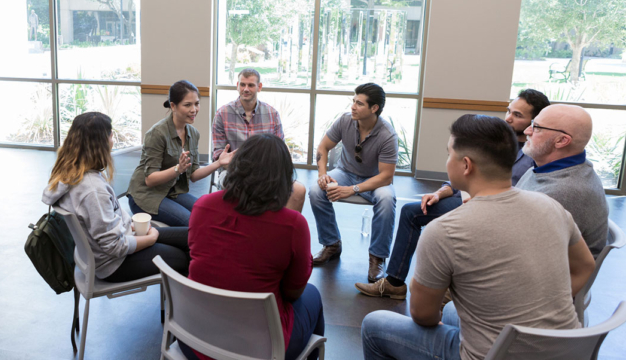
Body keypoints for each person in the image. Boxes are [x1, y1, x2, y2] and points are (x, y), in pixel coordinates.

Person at [361, 114, 595, 360]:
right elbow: (585, 267)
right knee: (452, 310)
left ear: (466, 165)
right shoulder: (552, 206)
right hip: (568, 351)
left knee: (374, 324)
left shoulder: (443, 231)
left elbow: (422, 315)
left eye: (449, 153)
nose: (447, 160)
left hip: (492, 355)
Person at [355, 89, 550, 298]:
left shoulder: (535, 155)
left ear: (534, 122)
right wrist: (440, 192)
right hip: (466, 197)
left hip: (492, 208)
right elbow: (465, 168)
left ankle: (446, 292)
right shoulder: (496, 138)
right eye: (509, 111)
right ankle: (395, 283)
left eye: (518, 115)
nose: (508, 118)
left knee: (426, 223)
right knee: (412, 211)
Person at [182, 134, 324, 360]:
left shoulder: (202, 206)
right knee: (313, 295)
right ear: (283, 178)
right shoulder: (293, 224)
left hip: (195, 340)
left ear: (237, 166)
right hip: (261, 350)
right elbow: (293, 291)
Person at [42, 112, 190, 282]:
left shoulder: (70, 175)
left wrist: (133, 227)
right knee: (183, 256)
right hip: (114, 264)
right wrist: (150, 239)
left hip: (114, 246)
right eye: (111, 134)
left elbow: (103, 226)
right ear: (101, 143)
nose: (113, 140)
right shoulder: (92, 190)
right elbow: (114, 247)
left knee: (191, 236)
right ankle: (186, 304)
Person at [310, 82, 398, 283]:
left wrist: (352, 190)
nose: (353, 107)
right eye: (353, 101)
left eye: (359, 103)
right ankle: (331, 244)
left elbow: (386, 176)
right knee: (316, 191)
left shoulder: (387, 135)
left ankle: (377, 256)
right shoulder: (344, 121)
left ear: (374, 108)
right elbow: (323, 147)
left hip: (375, 180)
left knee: (387, 199)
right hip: (345, 172)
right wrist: (323, 174)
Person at [127, 80, 235, 226]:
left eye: (197, 104)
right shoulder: (157, 133)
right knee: (193, 223)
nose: (194, 109)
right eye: (187, 105)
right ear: (173, 106)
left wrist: (218, 163)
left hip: (171, 191)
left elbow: (194, 175)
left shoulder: (193, 133)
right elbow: (150, 180)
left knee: (209, 213)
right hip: (146, 196)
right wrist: (178, 169)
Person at [517, 104, 609, 257]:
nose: (527, 131)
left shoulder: (564, 191)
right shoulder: (550, 168)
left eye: (537, 127)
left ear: (561, 141)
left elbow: (522, 248)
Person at [212, 68, 306, 212]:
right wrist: (230, 162)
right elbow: (218, 154)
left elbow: (280, 149)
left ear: (259, 87)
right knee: (238, 187)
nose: (246, 89)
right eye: (242, 85)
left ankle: (279, 229)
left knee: (298, 190)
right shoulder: (222, 114)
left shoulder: (272, 114)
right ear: (237, 85)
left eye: (250, 85)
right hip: (234, 171)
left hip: (267, 172)